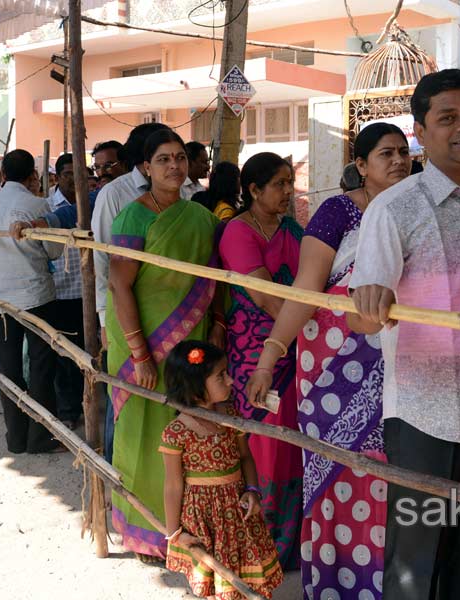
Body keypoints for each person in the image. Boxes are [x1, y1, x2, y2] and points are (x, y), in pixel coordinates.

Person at [348, 69, 460, 600]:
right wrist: (372, 305)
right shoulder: (394, 209)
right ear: (421, 132)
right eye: (447, 118)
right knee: (417, 557)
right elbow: (363, 314)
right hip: (424, 412)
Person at [245, 123, 411, 599]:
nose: (398, 161)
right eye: (385, 154)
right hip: (334, 372)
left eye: (403, 152)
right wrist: (270, 355)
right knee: (340, 475)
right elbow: (307, 287)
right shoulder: (338, 211)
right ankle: (341, 586)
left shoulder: (417, 206)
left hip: (402, 366)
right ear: (360, 166)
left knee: (393, 478)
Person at [107, 129, 224, 562]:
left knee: (189, 435)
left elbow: (215, 280)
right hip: (143, 346)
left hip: (189, 345)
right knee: (144, 437)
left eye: (180, 158)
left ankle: (188, 528)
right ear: (145, 168)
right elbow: (120, 285)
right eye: (163, 160)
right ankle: (145, 533)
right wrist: (139, 353)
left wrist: (219, 325)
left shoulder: (200, 218)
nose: (175, 166)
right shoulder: (133, 218)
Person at [218, 151, 303, 570]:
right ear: (253, 190)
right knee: (262, 441)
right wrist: (304, 325)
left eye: (290, 182)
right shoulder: (238, 232)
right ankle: (257, 544)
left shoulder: (292, 230)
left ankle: (287, 543)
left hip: (293, 349)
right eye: (279, 184)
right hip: (257, 352)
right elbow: (266, 296)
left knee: (290, 441)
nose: (289, 191)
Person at [160, 340, 283, 599]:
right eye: (221, 376)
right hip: (205, 518)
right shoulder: (176, 432)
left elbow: (245, 458)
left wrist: (252, 491)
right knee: (217, 578)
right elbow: (172, 485)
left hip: (238, 512)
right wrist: (175, 533)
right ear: (195, 388)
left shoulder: (230, 415)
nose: (231, 381)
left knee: (244, 572)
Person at [0, 149, 65, 454]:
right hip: (36, 296)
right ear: (32, 176)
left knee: (9, 366)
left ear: (2, 174)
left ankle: (15, 437)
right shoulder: (37, 205)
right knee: (41, 366)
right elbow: (53, 252)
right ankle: (40, 437)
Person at [47, 153, 85, 428]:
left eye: (78, 173)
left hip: (86, 292)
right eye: (68, 174)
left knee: (87, 352)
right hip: (60, 291)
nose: (74, 179)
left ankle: (87, 402)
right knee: (63, 355)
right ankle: (68, 410)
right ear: (58, 177)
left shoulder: (91, 202)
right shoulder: (48, 207)